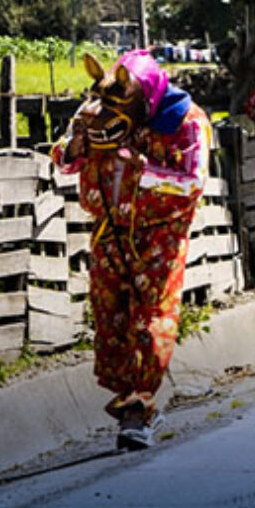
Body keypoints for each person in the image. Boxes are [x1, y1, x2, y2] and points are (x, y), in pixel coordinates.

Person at [53, 51, 211, 451]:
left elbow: (192, 182)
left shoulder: (187, 121)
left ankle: (139, 408)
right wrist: (73, 148)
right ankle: (126, 397)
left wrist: (141, 170)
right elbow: (63, 159)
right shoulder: (97, 112)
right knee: (110, 316)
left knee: (150, 315)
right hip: (108, 229)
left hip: (160, 233)